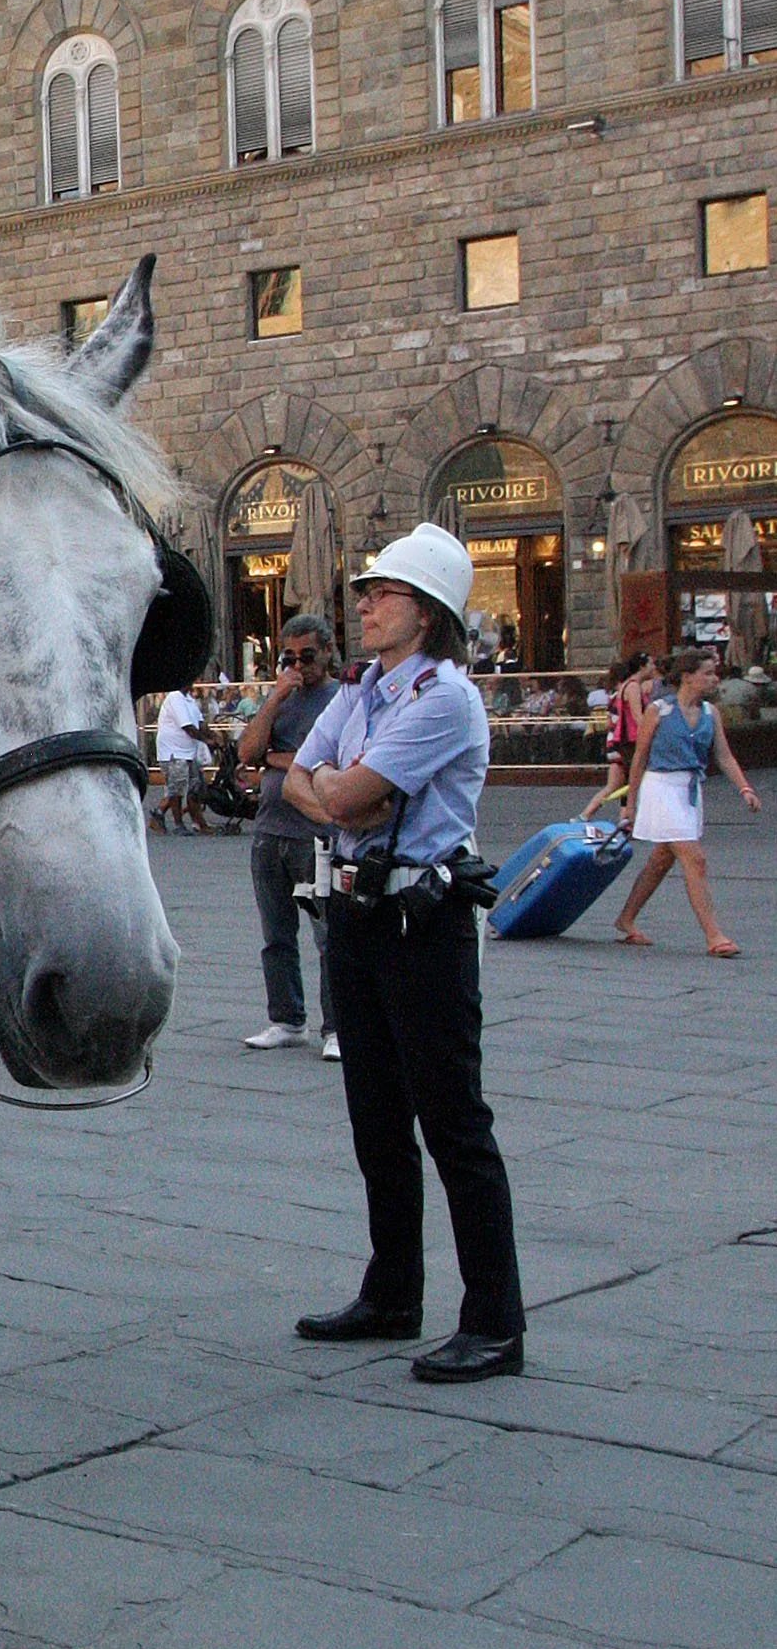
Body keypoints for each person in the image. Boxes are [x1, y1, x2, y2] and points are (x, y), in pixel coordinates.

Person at [284, 523, 526, 1385]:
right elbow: (302, 781)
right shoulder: (366, 690)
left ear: (427, 612)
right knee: (376, 1119)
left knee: (453, 1123)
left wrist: (339, 792)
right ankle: (392, 1291)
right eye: (366, 591)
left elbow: (343, 787)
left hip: (424, 923)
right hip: (356, 913)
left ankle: (495, 1321)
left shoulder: (442, 698)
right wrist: (340, 796)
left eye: (382, 593)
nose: (366, 604)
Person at [236, 613, 343, 1055]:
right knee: (276, 935)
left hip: (315, 833)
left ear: (328, 652)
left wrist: (274, 759)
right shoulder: (282, 698)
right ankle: (286, 1019)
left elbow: (325, 763)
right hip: (269, 830)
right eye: (290, 658)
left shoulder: (341, 699)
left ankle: (336, 1028)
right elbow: (247, 751)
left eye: (308, 656)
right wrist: (275, 697)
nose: (299, 666)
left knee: (327, 935)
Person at [614, 644, 760, 953]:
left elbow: (724, 756)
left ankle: (626, 919)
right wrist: (630, 804)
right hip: (661, 787)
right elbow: (639, 758)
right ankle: (714, 935)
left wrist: (744, 788)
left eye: (714, 673)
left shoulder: (710, 713)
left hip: (689, 791)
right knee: (695, 859)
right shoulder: (659, 710)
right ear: (687, 677)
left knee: (661, 860)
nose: (714, 679)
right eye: (707, 674)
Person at [585, 650, 660, 820]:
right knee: (636, 779)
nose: (653, 667)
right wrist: (651, 733)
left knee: (625, 782)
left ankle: (624, 817)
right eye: (650, 663)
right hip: (631, 738)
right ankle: (628, 817)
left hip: (624, 738)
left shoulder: (629, 685)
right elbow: (637, 716)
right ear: (642, 666)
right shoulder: (633, 687)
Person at [152, 677, 213, 834]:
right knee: (177, 790)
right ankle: (179, 824)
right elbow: (188, 727)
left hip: (189, 752)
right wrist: (207, 740)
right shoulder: (174, 697)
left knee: (195, 787)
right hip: (174, 752)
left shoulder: (189, 700)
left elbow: (200, 724)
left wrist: (216, 737)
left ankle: (196, 821)